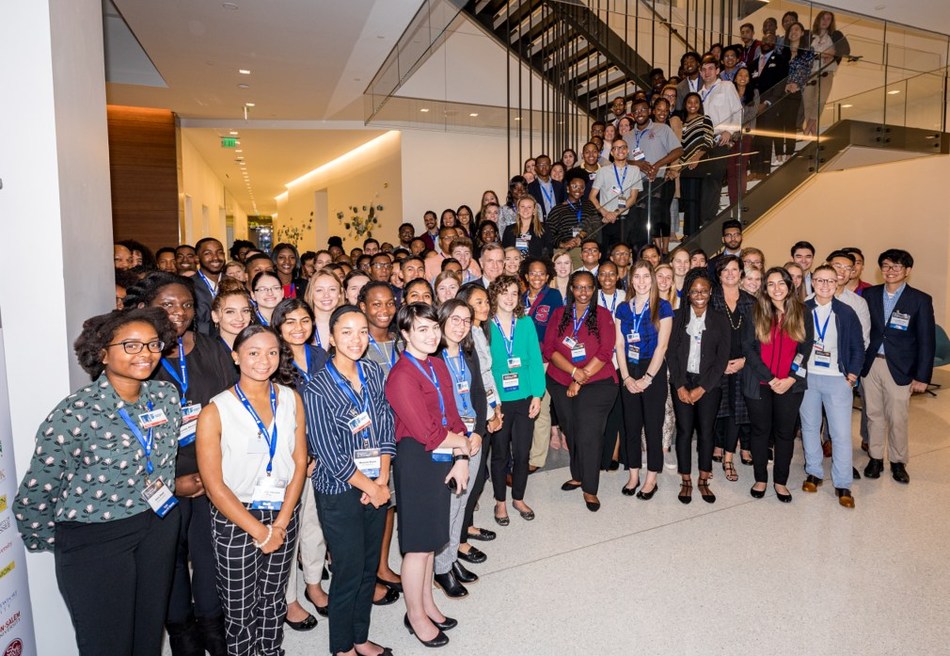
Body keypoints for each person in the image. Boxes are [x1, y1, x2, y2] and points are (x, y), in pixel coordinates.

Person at [16, 309, 181, 656]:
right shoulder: (75, 412)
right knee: (108, 644)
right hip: (97, 538)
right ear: (102, 353)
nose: (146, 353)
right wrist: (67, 541)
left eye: (153, 344)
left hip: (158, 525)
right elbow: (36, 492)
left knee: (148, 635)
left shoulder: (166, 396)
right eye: (131, 345)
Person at [124, 272, 238, 654]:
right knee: (168, 561)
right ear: (146, 306)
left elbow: (230, 409)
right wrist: (173, 482)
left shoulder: (211, 349)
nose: (180, 312)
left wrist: (213, 470)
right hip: (161, 480)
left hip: (211, 473)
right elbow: (126, 434)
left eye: (187, 304)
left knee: (209, 556)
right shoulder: (137, 358)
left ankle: (212, 624)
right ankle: (182, 633)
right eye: (169, 304)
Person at [196, 325, 308, 656]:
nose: (264, 360)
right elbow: (214, 486)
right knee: (239, 605)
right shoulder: (215, 410)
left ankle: (271, 651)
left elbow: (299, 462)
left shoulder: (290, 398)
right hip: (236, 517)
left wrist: (282, 522)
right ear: (236, 356)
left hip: (283, 510)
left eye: (272, 352)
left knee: (274, 599)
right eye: (253, 353)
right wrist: (260, 531)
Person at [303, 306, 396, 656]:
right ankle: (342, 647)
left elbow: (385, 422)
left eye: (362, 332)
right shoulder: (317, 387)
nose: (356, 339)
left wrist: (383, 477)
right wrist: (371, 487)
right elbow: (328, 451)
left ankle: (360, 637)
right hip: (340, 491)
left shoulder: (372, 371)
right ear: (330, 338)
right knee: (348, 571)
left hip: (377, 482)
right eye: (346, 332)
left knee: (368, 568)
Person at [386, 303, 471, 648]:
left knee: (432, 542)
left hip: (444, 455)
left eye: (434, 327)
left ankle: (427, 605)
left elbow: (452, 413)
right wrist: (461, 446)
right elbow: (427, 432)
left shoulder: (436, 364)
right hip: (417, 461)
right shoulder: (401, 376)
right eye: (422, 329)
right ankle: (415, 616)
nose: (432, 334)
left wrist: (461, 451)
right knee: (417, 547)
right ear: (404, 335)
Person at [272, 299, 332, 626]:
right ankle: (288, 599)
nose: (299, 327)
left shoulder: (321, 356)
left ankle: (314, 584)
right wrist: (302, 456)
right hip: (293, 460)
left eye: (304, 320)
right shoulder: (272, 360)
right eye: (290, 321)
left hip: (323, 454)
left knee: (316, 523)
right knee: (290, 529)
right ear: (278, 326)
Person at [544, 270, 618, 511]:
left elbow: (605, 352)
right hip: (560, 381)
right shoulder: (558, 314)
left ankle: (590, 488)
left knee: (588, 434)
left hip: (598, 383)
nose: (583, 292)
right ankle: (578, 474)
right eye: (578, 287)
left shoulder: (603, 315)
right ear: (571, 289)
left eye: (588, 287)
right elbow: (550, 349)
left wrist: (580, 378)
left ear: (593, 290)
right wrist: (573, 374)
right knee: (572, 431)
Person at [861, 249, 935, 484]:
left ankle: (898, 461)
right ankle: (874, 457)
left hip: (901, 367)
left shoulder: (920, 300)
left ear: (908, 271)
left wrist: (922, 375)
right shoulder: (869, 294)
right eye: (885, 266)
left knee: (898, 417)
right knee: (873, 414)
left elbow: (926, 340)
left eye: (896, 267)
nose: (890, 271)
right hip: (871, 364)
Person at [742, 267, 813, 502]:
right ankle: (761, 478)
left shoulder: (802, 312)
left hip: (790, 385)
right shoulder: (756, 312)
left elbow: (805, 349)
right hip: (760, 383)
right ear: (765, 288)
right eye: (771, 284)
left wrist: (792, 377)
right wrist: (771, 378)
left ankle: (780, 481)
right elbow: (749, 349)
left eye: (781, 283)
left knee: (784, 434)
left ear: (790, 285)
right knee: (760, 432)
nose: (776, 288)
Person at [433, 300, 488, 598]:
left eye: (466, 320)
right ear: (441, 321)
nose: (460, 325)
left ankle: (451, 559)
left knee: (462, 505)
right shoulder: (433, 357)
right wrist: (460, 439)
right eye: (454, 319)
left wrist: (478, 431)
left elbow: (478, 391)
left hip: (472, 438)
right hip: (449, 444)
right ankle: (441, 568)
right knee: (449, 507)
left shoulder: (468, 353)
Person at [800, 265, 865, 508]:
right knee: (810, 427)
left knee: (839, 433)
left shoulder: (846, 312)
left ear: (837, 283)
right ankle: (814, 472)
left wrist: (851, 376)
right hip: (808, 378)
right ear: (812, 283)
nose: (825, 285)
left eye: (830, 281)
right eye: (819, 280)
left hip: (837, 378)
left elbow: (858, 347)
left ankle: (843, 482)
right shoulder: (802, 309)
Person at [668, 269, 730, 504]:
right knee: (684, 432)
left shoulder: (720, 319)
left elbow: (721, 358)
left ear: (711, 291)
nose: (699, 294)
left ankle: (703, 479)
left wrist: (702, 388)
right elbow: (671, 354)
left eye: (704, 290)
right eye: (694, 291)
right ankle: (686, 479)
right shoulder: (677, 317)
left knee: (706, 431)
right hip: (682, 382)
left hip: (709, 384)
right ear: (687, 294)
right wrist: (681, 386)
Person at [487, 275, 544, 524]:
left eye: (513, 293)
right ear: (494, 295)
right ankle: (500, 502)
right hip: (499, 401)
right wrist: (491, 404)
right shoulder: (485, 326)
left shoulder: (526, 322)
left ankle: (518, 497)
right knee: (500, 454)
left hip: (524, 397)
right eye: (504, 292)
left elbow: (535, 360)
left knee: (522, 452)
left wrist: (538, 395)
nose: (510, 298)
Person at [615, 260, 673, 500]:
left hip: (654, 371)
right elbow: (619, 343)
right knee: (631, 426)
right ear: (630, 280)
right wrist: (626, 376)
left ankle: (651, 478)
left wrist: (648, 378)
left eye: (645, 276)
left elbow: (662, 346)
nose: (641, 282)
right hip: (629, 370)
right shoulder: (623, 308)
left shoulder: (663, 307)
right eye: (636, 277)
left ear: (653, 279)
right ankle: (633, 475)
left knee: (652, 427)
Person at [711, 256, 757, 476]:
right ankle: (717, 447)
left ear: (741, 273)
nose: (730, 273)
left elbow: (761, 338)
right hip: (715, 364)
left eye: (734, 269)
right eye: (725, 270)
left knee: (737, 410)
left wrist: (745, 362)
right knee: (717, 409)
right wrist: (720, 365)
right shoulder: (710, 299)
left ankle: (729, 458)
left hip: (743, 363)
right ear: (719, 274)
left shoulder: (751, 302)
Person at [522, 256, 564, 472]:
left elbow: (557, 328)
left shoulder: (554, 296)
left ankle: (537, 458)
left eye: (541, 273)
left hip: (545, 361)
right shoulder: (519, 298)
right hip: (522, 363)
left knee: (541, 409)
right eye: (533, 273)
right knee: (523, 409)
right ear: (526, 276)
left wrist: (547, 359)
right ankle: (523, 451)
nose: (537, 277)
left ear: (547, 276)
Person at [625, 98, 682, 248]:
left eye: (643, 109)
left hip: (657, 181)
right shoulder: (628, 136)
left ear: (650, 111)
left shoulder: (662, 129)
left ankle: (658, 250)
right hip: (635, 185)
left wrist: (658, 165)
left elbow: (678, 150)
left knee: (653, 218)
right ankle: (640, 251)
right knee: (636, 223)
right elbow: (621, 161)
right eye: (636, 111)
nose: (640, 113)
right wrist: (635, 163)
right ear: (632, 115)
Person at [589, 138, 643, 251]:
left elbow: (633, 198)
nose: (620, 150)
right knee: (605, 254)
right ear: (612, 152)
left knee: (623, 253)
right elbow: (592, 196)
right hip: (606, 221)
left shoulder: (635, 170)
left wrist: (615, 213)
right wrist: (605, 213)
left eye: (623, 147)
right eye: (616, 148)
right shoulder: (602, 171)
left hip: (625, 220)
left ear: (627, 150)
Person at [803, 10, 850, 136]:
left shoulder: (835, 35)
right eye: (823, 18)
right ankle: (812, 128)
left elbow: (846, 49)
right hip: (810, 72)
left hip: (826, 71)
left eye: (828, 19)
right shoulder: (808, 35)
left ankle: (808, 127)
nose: (825, 21)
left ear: (831, 22)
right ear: (818, 19)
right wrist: (820, 54)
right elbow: (802, 53)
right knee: (807, 100)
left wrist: (833, 51)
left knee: (821, 99)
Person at [676, 92, 715, 236]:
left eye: (696, 102)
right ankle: (688, 233)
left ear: (700, 105)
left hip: (697, 165)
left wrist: (697, 157)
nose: (693, 105)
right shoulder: (681, 123)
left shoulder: (705, 119)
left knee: (693, 202)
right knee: (687, 202)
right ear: (685, 105)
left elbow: (709, 140)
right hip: (683, 167)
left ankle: (691, 234)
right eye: (689, 102)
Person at [194, 238, 227, 335]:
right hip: (201, 342)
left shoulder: (235, 284)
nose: (215, 257)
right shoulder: (187, 285)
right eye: (208, 253)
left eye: (219, 253)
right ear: (197, 259)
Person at [305, 269, 343, 351]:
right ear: (310, 294)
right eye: (319, 290)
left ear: (340, 293)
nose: (326, 295)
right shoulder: (301, 326)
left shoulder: (348, 325)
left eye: (332, 289)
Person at [211, 282, 254, 352]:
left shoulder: (258, 347)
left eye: (245, 311)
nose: (240, 318)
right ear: (215, 316)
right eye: (230, 312)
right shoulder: (206, 352)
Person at [527, 154, 565, 220]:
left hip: (558, 223)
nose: (544, 167)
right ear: (535, 168)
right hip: (540, 223)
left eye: (546, 165)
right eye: (541, 165)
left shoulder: (559, 186)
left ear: (550, 167)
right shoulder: (530, 187)